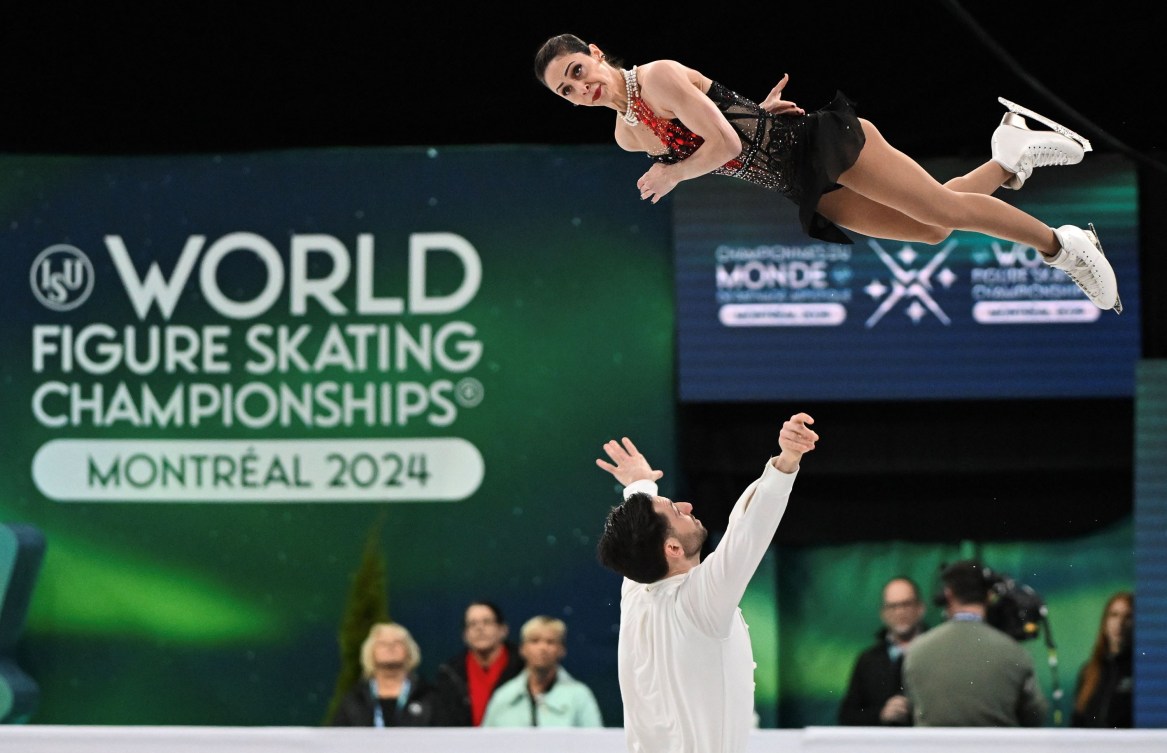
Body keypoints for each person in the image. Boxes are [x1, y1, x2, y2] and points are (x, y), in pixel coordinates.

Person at [534, 34, 1121, 314]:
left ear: (596, 52)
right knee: (933, 230)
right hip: (798, 183)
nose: (580, 87)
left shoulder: (657, 76)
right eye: (566, 89)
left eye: (579, 70)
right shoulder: (625, 133)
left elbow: (722, 141)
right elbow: (731, 136)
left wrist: (678, 175)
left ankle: (1064, 246)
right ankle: (1010, 155)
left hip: (821, 145)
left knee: (943, 211)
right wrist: (752, 117)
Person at [594, 411, 818, 753]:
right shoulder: (699, 601)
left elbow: (635, 539)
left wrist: (640, 486)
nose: (686, 506)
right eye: (676, 511)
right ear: (671, 548)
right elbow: (749, 528)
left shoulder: (638, 587)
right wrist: (787, 460)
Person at [902, 559, 1047, 726]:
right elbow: (1036, 714)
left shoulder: (917, 651)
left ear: (949, 594)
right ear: (989, 596)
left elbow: (912, 706)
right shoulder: (1015, 653)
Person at [481, 615, 604, 727]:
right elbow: (484, 745)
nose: (543, 648)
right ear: (523, 649)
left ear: (562, 649)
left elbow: (596, 745)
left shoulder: (580, 696)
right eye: (535, 641)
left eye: (550, 642)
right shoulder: (503, 697)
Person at [838, 576, 928, 726]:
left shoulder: (937, 655)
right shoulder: (867, 660)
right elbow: (847, 716)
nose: (900, 612)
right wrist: (881, 714)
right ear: (883, 613)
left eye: (906, 604)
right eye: (893, 606)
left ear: (920, 608)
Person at [432, 600, 524, 726]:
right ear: (465, 635)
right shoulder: (449, 674)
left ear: (503, 630)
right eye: (472, 624)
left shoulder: (524, 668)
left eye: (487, 622)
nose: (479, 628)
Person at [328, 621, 437, 726]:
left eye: (397, 642)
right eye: (382, 643)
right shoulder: (354, 701)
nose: (390, 647)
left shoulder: (429, 698)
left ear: (409, 652)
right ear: (371, 653)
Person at [1071, 590, 1134, 728]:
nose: (1120, 623)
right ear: (1105, 622)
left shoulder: (1140, 671)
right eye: (1114, 615)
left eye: (1128, 616)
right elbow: (1076, 723)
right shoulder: (1089, 672)